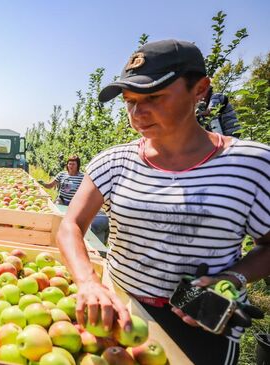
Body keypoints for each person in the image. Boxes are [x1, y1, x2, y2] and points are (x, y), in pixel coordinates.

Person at [56, 39, 269, 365]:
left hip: (200, 320)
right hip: (123, 312)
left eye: (153, 97)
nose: (138, 113)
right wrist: (87, 281)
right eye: (129, 101)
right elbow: (70, 225)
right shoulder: (113, 162)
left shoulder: (250, 165)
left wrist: (232, 279)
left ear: (200, 89)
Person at [39, 156, 109, 243]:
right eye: (69, 164)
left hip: (75, 202)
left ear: (78, 165)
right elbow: (51, 185)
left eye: (73, 164)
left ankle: (74, 238)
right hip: (62, 200)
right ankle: (55, 232)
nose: (71, 166)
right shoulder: (62, 174)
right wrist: (44, 184)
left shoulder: (83, 177)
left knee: (74, 221)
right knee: (56, 213)